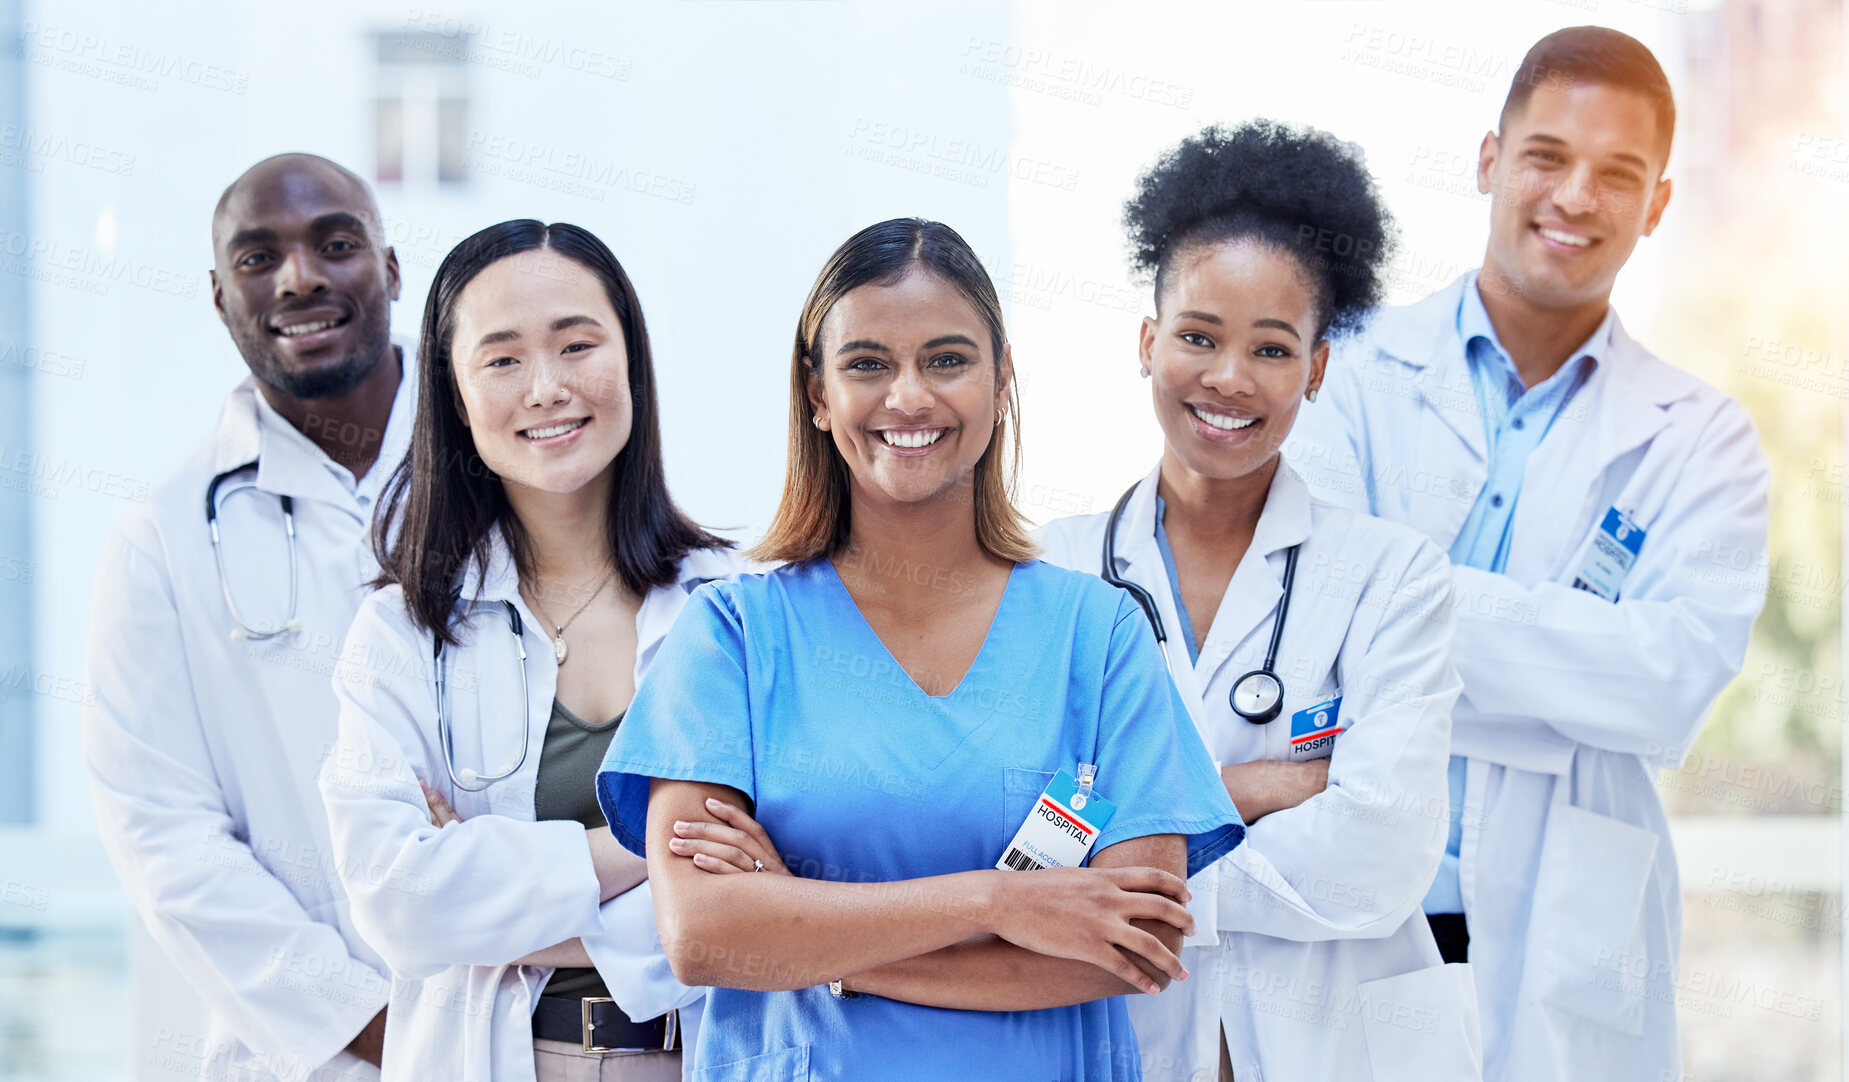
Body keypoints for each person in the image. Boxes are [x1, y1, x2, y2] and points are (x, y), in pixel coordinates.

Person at [592, 217, 1244, 1082]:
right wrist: (1001, 902)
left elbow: (1134, 947)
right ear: (818, 394)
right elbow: (704, 937)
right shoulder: (733, 637)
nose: (908, 397)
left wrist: (810, 936)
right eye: (867, 363)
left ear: (1002, 378)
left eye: (946, 360)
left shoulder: (1100, 636)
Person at [1290, 27, 1770, 1082]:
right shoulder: (1352, 369)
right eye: (1547, 156)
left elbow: (1664, 686)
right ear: (1489, 160)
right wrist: (1565, 667)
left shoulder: (1703, 438)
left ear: (1656, 206)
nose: (1575, 196)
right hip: (1364, 916)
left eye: (1618, 174)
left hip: (1568, 931)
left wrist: (1404, 616)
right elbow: (1311, 610)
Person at [1038, 121, 1481, 1082]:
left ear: (1316, 369)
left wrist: (1127, 843)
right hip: (1125, 1045)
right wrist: (1259, 788)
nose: (1230, 378)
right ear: (1148, 342)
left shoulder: (1391, 580)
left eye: (1272, 349)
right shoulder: (1050, 573)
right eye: (1197, 336)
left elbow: (1380, 857)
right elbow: (1015, 842)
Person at [317, 220, 734, 1081]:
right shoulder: (402, 633)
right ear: (456, 393)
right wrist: (654, 851)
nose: (546, 387)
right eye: (502, 359)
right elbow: (396, 902)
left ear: (631, 361)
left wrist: (490, 891)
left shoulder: (735, 606)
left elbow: (776, 887)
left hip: (701, 1057)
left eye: (576, 344)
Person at [82, 154, 408, 1081]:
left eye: (334, 245)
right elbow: (162, 834)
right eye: (257, 259)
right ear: (221, 297)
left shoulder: (509, 474)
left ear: (389, 268)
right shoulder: (164, 536)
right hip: (312, 1058)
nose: (299, 278)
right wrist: (377, 1022)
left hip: (526, 1033)